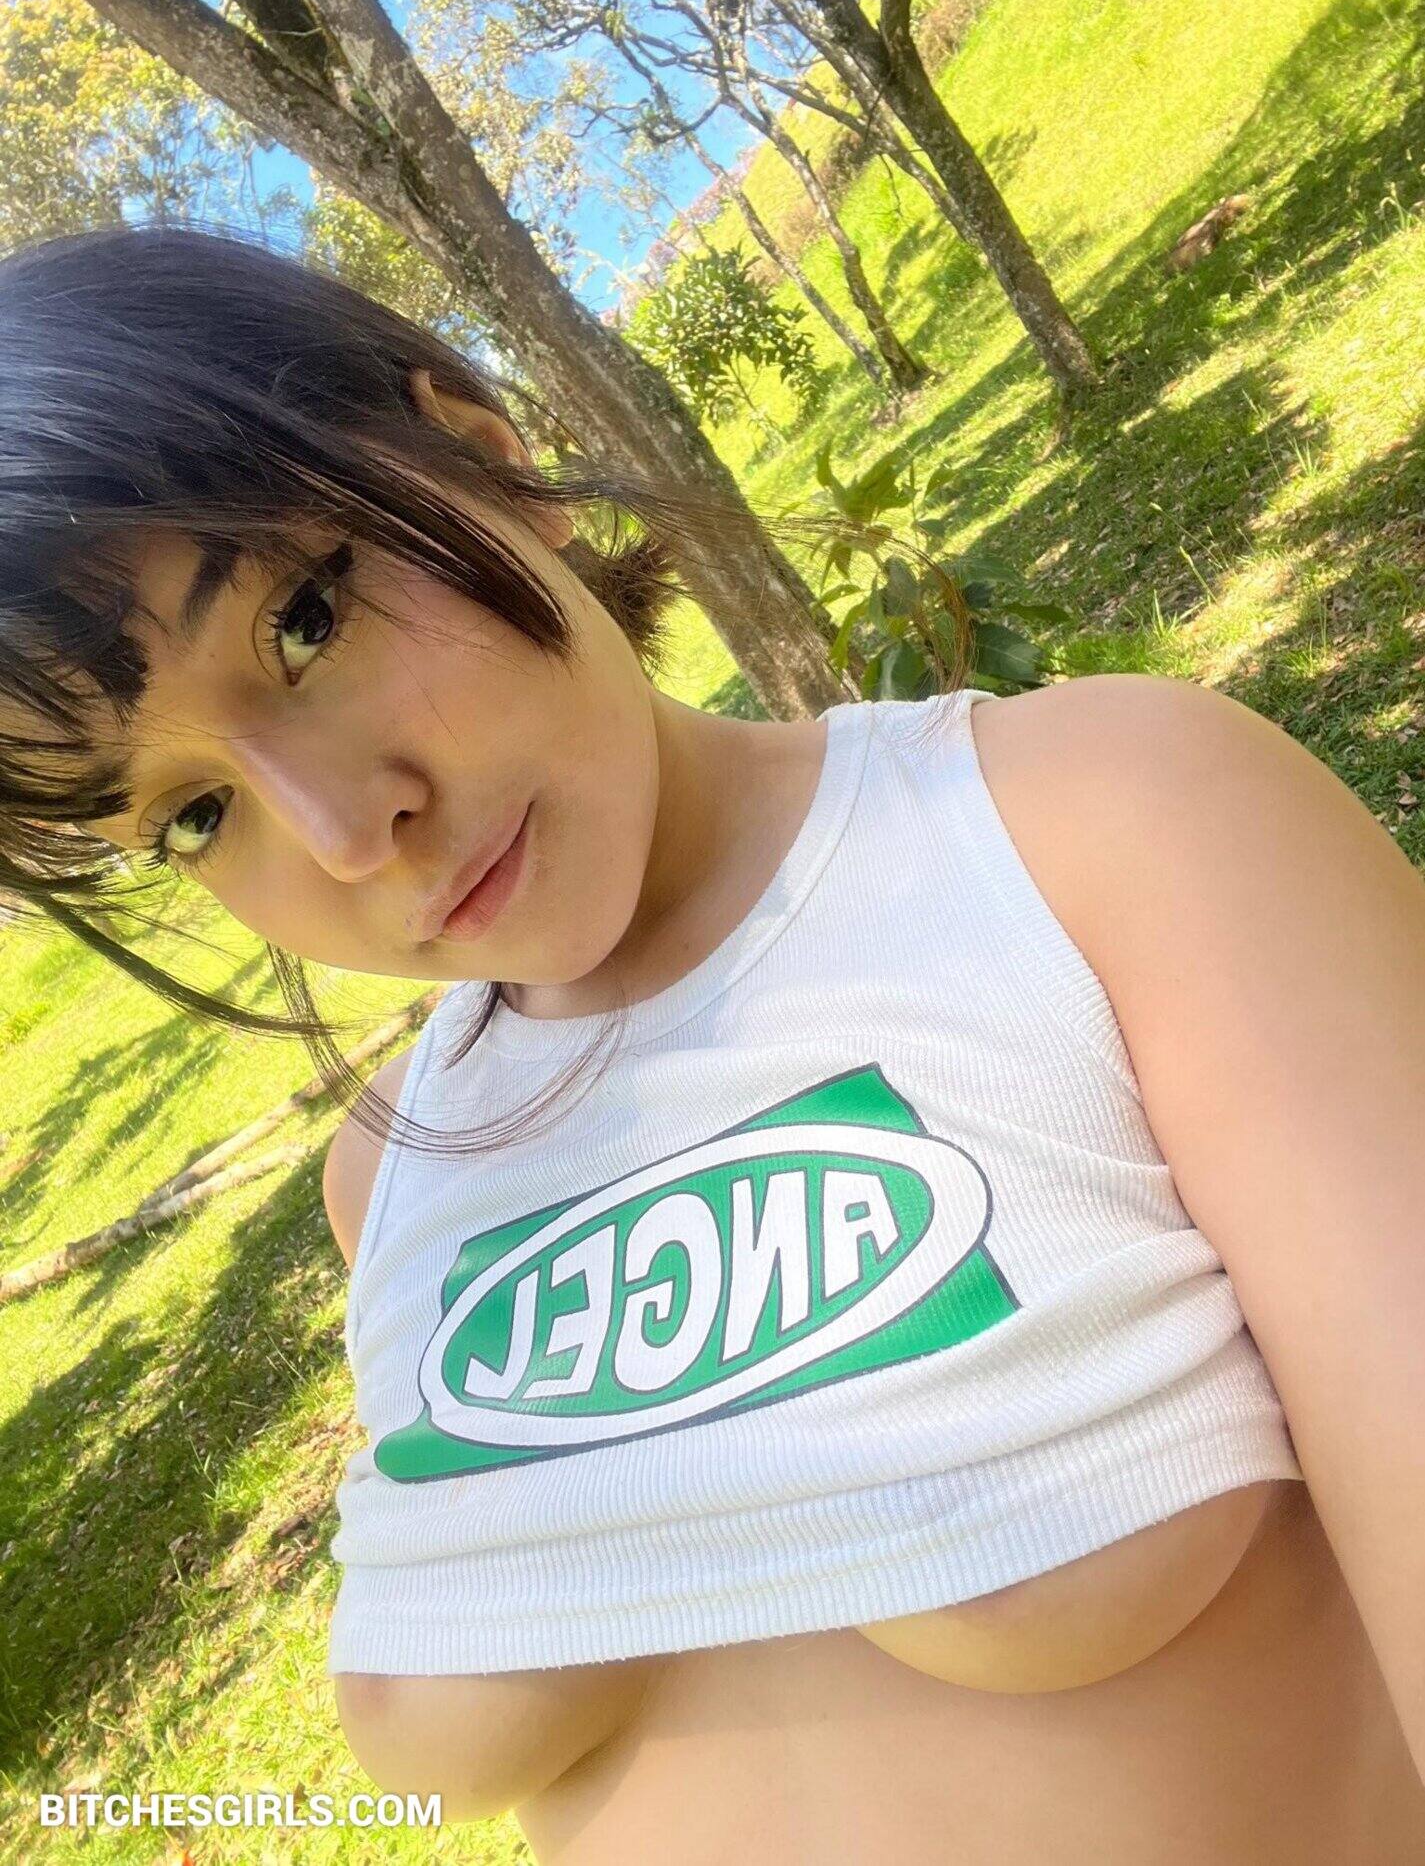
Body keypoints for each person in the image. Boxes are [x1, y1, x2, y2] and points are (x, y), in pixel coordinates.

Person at [1, 222, 1421, 1866]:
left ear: (484, 456)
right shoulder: (386, 1178)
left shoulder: (1094, 826)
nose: (340, 833)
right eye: (190, 814)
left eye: (304, 622)